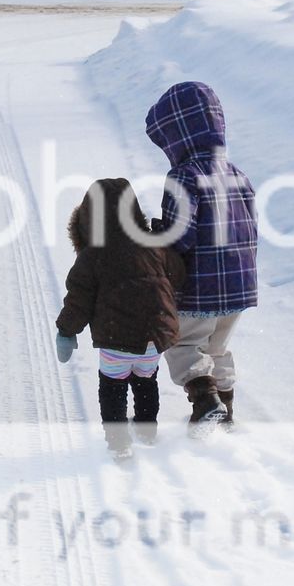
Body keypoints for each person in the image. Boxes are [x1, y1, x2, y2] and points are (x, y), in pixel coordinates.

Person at [144, 81, 258, 430]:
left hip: (199, 286)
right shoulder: (239, 175)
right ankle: (226, 411)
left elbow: (180, 234)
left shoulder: (183, 176)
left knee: (183, 343)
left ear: (177, 135)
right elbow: (251, 228)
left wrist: (156, 241)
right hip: (238, 286)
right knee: (217, 347)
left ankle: (205, 401)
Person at [55, 178, 186, 462]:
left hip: (117, 340)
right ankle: (147, 431)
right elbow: (178, 273)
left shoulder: (92, 256)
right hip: (154, 338)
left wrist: (66, 330)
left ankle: (118, 444)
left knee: (112, 389)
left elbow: (79, 299)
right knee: (146, 381)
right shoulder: (154, 245)